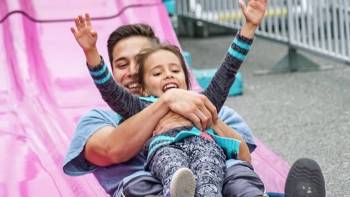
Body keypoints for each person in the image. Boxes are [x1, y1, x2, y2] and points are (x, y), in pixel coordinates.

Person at [64, 0, 267, 196]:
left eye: (142, 61)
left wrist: (248, 28)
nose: (134, 71)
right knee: (144, 183)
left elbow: (243, 156)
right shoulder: (102, 118)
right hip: (149, 184)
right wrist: (91, 54)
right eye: (123, 64)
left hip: (214, 179)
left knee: (235, 171)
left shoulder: (212, 109)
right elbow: (110, 148)